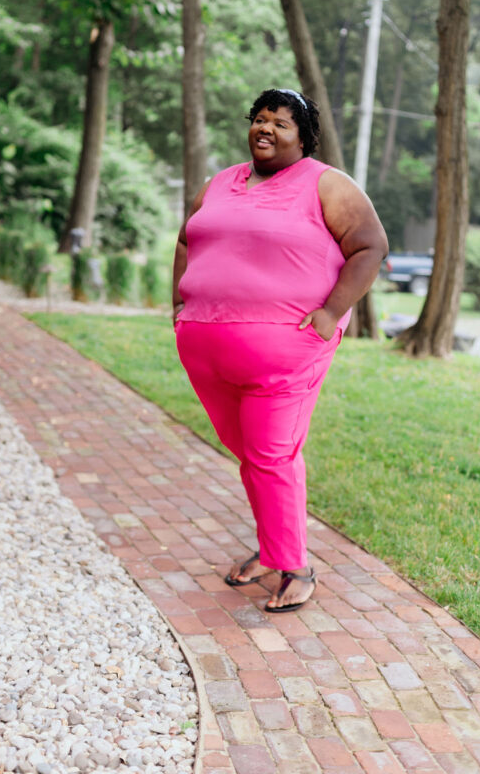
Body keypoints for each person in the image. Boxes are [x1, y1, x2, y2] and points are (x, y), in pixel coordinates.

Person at [172, 88, 388, 613]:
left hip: (288, 350)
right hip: (207, 345)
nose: (265, 129)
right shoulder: (222, 183)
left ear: (304, 137)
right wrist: (178, 304)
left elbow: (370, 245)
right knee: (250, 453)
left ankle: (297, 566)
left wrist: (331, 314)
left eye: (281, 124)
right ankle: (272, 551)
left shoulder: (326, 184)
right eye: (260, 120)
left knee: (271, 453)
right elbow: (186, 240)